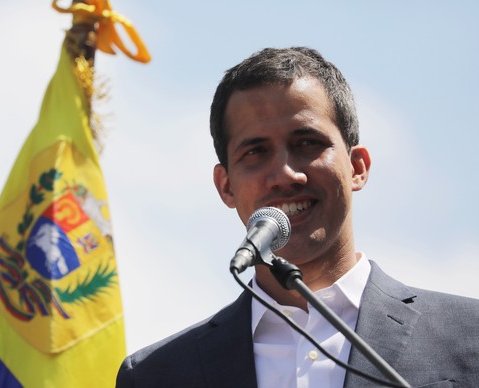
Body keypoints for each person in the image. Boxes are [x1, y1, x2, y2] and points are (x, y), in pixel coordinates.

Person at [116, 47, 479, 387]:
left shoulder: (469, 336)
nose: (286, 173)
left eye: (307, 143)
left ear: (357, 167)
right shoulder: (156, 375)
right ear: (225, 186)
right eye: (256, 151)